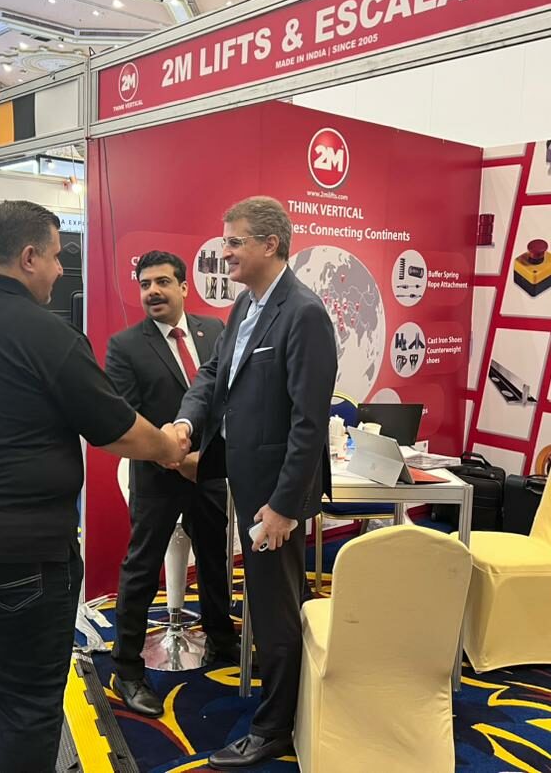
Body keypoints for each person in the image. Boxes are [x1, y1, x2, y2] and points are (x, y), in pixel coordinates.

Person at [0, 201, 188, 773]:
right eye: (57, 257)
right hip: (24, 557)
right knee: (26, 709)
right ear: (29, 256)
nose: (62, 271)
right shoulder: (47, 335)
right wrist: (170, 447)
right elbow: (118, 430)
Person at [174, 196, 337, 769]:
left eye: (235, 241)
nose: (225, 252)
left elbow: (309, 422)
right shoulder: (245, 304)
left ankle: (273, 729)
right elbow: (214, 374)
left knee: (274, 608)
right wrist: (186, 422)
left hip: (275, 495)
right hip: (245, 480)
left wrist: (284, 506)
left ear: (271, 244)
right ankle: (280, 705)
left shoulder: (304, 313)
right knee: (267, 603)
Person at [106, 250, 237, 716]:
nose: (153, 292)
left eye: (162, 282)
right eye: (145, 284)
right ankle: (127, 669)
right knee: (142, 570)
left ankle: (222, 640)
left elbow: (225, 398)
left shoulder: (214, 331)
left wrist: (208, 460)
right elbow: (127, 417)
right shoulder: (125, 346)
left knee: (215, 559)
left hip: (210, 471)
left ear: (184, 287)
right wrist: (177, 460)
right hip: (157, 475)